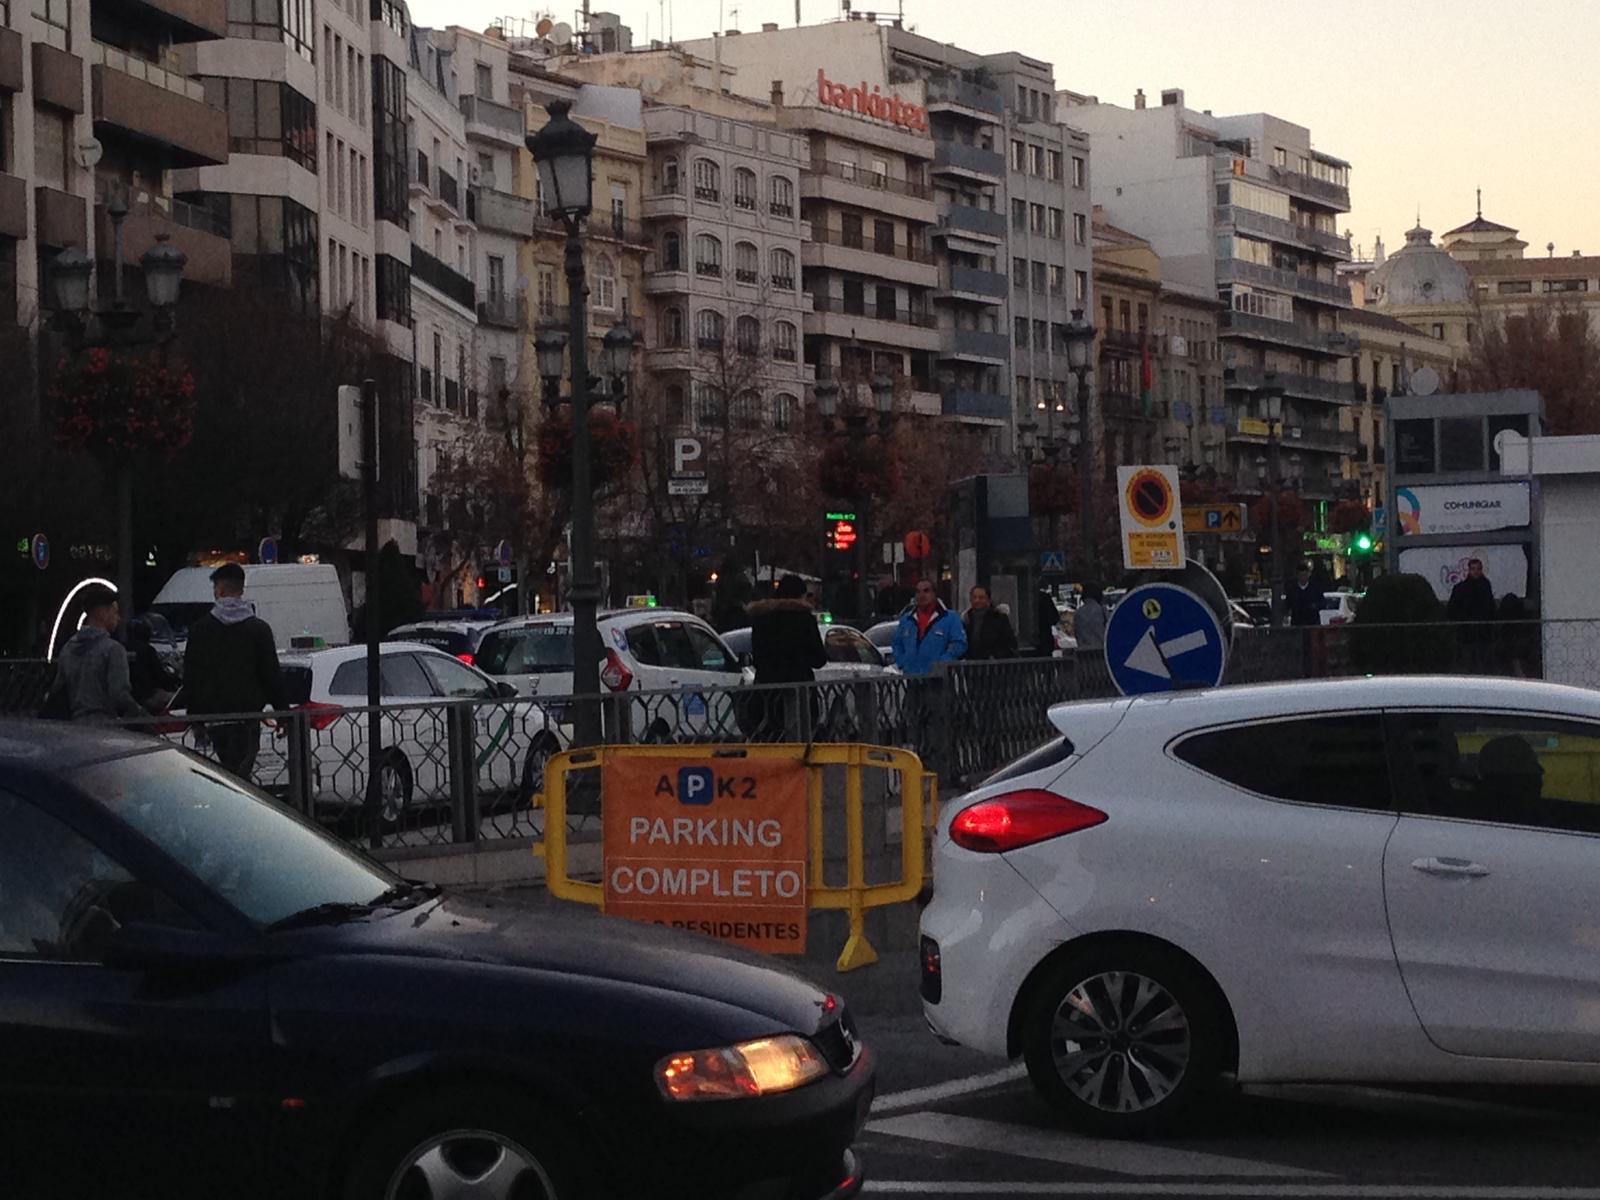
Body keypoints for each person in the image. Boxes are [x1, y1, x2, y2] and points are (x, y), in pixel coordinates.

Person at [183, 563, 287, 781]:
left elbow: (192, 676)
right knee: (241, 775)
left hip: (215, 718)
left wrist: (195, 718)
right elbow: (271, 675)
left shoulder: (200, 629)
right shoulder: (258, 629)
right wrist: (283, 713)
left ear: (219, 590)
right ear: (241, 590)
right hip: (247, 717)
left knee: (222, 776)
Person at [45, 587, 144, 723]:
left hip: (74, 726)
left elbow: (58, 689)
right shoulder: (113, 650)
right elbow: (120, 695)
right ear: (103, 613)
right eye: (115, 612)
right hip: (105, 727)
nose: (118, 618)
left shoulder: (68, 648)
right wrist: (141, 714)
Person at [747, 574, 827, 740]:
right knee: (800, 743)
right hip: (799, 693)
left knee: (771, 744)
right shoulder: (804, 619)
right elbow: (819, 659)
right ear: (801, 595)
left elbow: (757, 657)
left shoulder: (761, 619)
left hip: (766, 693)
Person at [892, 578, 967, 676]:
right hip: (912, 677)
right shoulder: (907, 620)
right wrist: (902, 661)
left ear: (935, 594)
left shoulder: (950, 618)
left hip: (940, 678)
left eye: (926, 591)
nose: (922, 595)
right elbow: (897, 643)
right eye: (918, 592)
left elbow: (959, 644)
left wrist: (943, 661)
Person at [126, 618, 179, 713]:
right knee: (175, 699)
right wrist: (175, 680)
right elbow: (160, 675)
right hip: (148, 695)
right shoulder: (148, 650)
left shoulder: (121, 648)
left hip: (129, 697)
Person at [963, 586, 1017, 661]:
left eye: (981, 598)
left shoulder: (999, 618)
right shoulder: (965, 619)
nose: (977, 600)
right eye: (974, 597)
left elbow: (1011, 644)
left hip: (994, 665)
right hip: (971, 666)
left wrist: (996, 656)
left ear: (988, 600)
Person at [1449, 558, 1497, 623]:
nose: (1476, 571)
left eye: (1478, 569)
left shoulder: (1486, 586)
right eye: (1473, 569)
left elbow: (1490, 606)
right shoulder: (1460, 588)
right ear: (1469, 570)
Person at [1073, 583, 1108, 652]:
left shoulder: (1078, 613)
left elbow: (1077, 633)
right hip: (1101, 651)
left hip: (1083, 653)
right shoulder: (1101, 610)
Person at [1034, 587, 1061, 655]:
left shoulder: (1024, 598)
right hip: (1045, 640)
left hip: (1035, 643)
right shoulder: (1045, 597)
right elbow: (1054, 618)